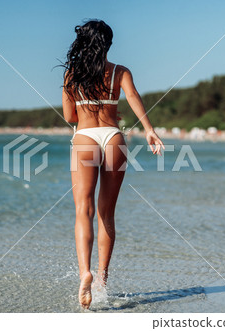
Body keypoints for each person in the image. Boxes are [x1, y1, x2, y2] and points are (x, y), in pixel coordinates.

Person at [62, 19, 164, 309]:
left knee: (84, 209)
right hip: (113, 138)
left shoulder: (72, 75)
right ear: (108, 43)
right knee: (107, 213)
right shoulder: (120, 71)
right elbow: (132, 96)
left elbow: (70, 116)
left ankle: (85, 273)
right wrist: (149, 129)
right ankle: (102, 283)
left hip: (84, 138)